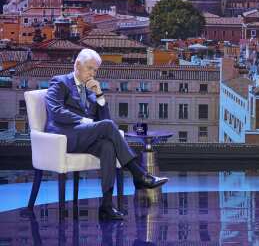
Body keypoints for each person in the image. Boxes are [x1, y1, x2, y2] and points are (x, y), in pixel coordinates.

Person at [45, 49, 168, 221]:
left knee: (108, 147)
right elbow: (56, 111)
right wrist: (84, 121)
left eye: (95, 70)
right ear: (77, 65)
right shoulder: (60, 82)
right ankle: (139, 175)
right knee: (109, 128)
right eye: (89, 68)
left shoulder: (89, 89)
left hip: (84, 137)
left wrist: (99, 95)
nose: (92, 74)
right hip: (63, 137)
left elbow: (105, 121)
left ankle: (106, 206)